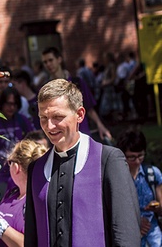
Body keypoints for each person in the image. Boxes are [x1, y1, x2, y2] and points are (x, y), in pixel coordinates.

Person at [24, 79, 141, 246]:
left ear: (79, 114)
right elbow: (31, 237)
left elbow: (126, 233)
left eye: (57, 117)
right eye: (43, 118)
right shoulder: (36, 169)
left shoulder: (108, 161)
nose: (49, 126)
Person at [0, 139, 47, 247]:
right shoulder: (12, 194)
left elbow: (30, 243)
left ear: (16, 168)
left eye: (10, 162)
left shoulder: (34, 201)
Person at [41, 46, 112, 141]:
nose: (48, 64)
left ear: (59, 59)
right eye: (45, 62)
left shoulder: (77, 82)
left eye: (50, 60)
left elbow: (89, 108)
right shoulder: (46, 88)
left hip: (81, 133)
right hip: (60, 138)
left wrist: (100, 125)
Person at [0, 87, 35, 197]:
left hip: (20, 173)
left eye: (14, 104)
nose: (11, 107)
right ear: (2, 103)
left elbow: (33, 141)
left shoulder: (22, 120)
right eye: (8, 104)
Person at [116, 129, 162, 247]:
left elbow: (161, 205)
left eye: (140, 156)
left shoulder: (152, 174)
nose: (137, 161)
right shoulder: (116, 177)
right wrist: (136, 221)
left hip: (153, 234)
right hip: (128, 234)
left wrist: (156, 206)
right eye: (131, 157)